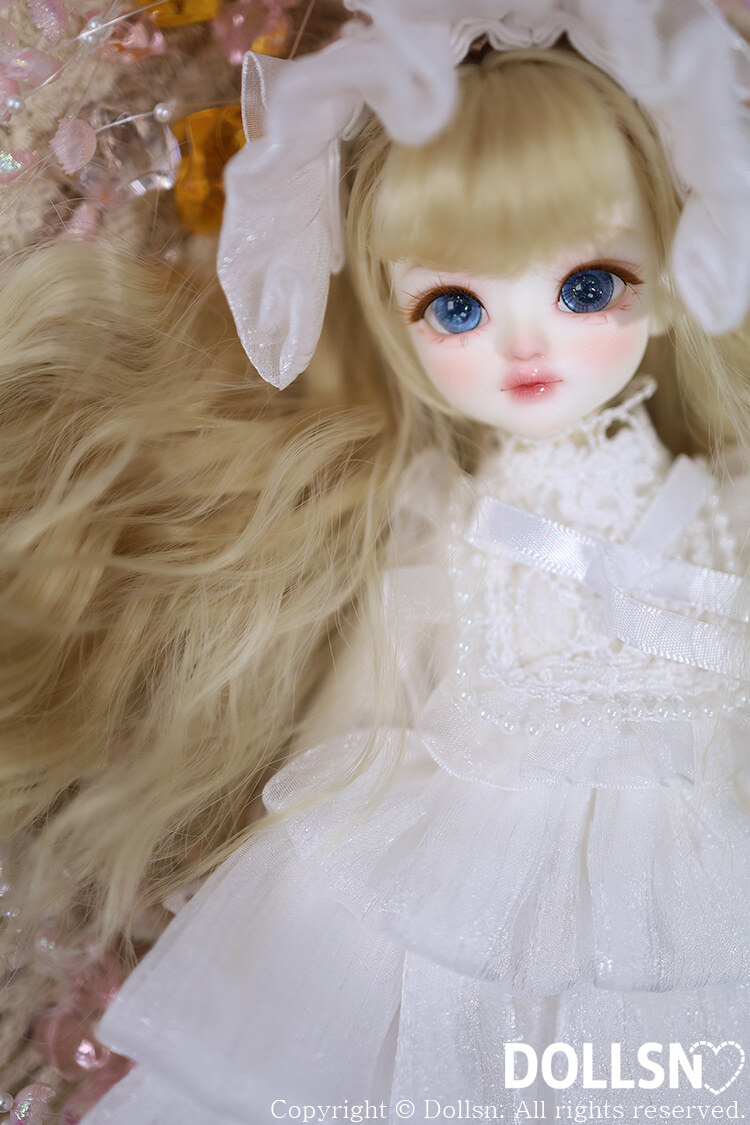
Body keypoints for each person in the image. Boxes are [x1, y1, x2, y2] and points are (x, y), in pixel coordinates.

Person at [2, 0, 750, 1121]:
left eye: (587, 286)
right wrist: (290, 860)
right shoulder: (446, 516)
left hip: (688, 902)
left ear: (673, 273)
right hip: (454, 884)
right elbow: (362, 713)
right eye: (456, 306)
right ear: (399, 324)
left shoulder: (722, 507)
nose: (525, 341)